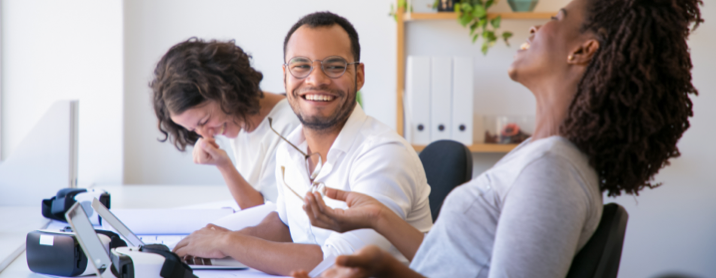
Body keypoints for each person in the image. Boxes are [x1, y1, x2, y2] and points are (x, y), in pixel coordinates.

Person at [291, 0, 704, 277]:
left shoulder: (553, 171)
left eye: (558, 18)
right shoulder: (538, 154)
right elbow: (452, 263)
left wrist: (389, 270)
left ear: (582, 51)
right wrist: (376, 217)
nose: (539, 25)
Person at [171, 12, 433, 275]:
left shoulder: (384, 155)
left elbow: (336, 261)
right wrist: (222, 239)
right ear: (285, 76)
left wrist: (230, 242)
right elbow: (286, 224)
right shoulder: (289, 149)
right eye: (301, 65)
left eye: (334, 66)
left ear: (359, 76)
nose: (316, 79)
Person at [151, 38, 300, 209]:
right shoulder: (238, 125)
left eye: (204, 121)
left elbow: (266, 215)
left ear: (225, 92)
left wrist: (224, 166)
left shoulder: (289, 126)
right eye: (194, 129)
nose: (206, 134)